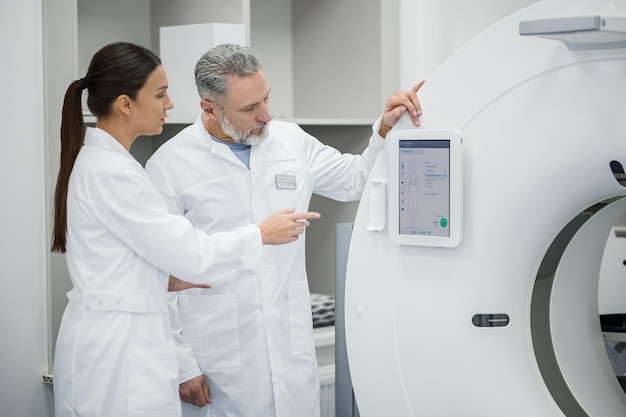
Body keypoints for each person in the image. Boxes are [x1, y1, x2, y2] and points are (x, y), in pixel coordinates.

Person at [145, 43, 424, 417]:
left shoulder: (290, 140)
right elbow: (158, 273)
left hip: (288, 345)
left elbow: (353, 180)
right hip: (216, 357)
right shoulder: (169, 166)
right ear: (209, 108)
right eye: (249, 108)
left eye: (266, 99)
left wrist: (385, 127)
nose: (266, 115)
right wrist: (183, 365)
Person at [51, 41, 320, 417]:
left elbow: (131, 259)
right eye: (160, 94)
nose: (171, 104)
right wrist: (260, 234)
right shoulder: (115, 173)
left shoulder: (108, 164)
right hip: (120, 352)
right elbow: (191, 256)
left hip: (124, 339)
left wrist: (160, 276)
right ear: (126, 104)